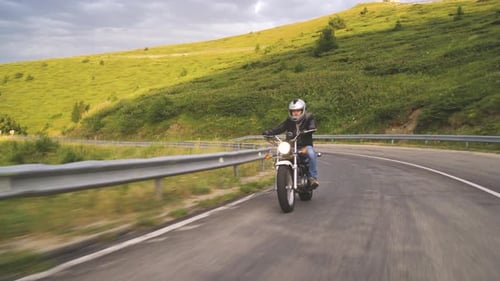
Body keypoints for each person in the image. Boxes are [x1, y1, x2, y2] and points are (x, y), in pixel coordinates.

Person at [262, 98, 319, 188]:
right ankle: (282, 179)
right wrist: (269, 132)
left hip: (304, 147)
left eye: (298, 111)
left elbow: (312, 126)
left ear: (302, 110)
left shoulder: (309, 118)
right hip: (291, 147)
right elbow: (280, 128)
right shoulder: (289, 121)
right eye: (293, 111)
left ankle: (313, 178)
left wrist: (310, 128)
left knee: (311, 153)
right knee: (280, 155)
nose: (295, 113)